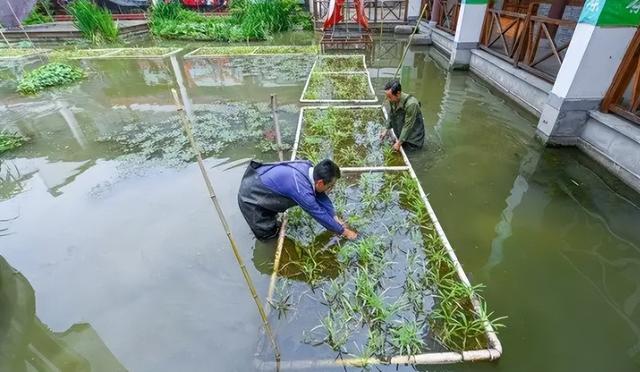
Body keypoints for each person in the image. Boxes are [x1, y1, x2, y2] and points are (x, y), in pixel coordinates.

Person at [237, 159, 358, 241]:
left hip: (262, 181)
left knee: (274, 219)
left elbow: (320, 195)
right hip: (251, 198)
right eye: (331, 186)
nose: (332, 188)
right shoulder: (302, 190)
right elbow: (319, 214)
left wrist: (333, 216)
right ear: (320, 182)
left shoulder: (309, 168)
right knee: (269, 235)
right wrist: (345, 232)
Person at [379, 79, 425, 152]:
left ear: (398, 93)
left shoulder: (411, 104)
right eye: (387, 96)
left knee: (411, 155)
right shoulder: (393, 100)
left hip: (413, 140)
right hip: (402, 134)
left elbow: (408, 125)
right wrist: (386, 129)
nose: (388, 99)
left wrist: (399, 143)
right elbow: (391, 114)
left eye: (390, 97)